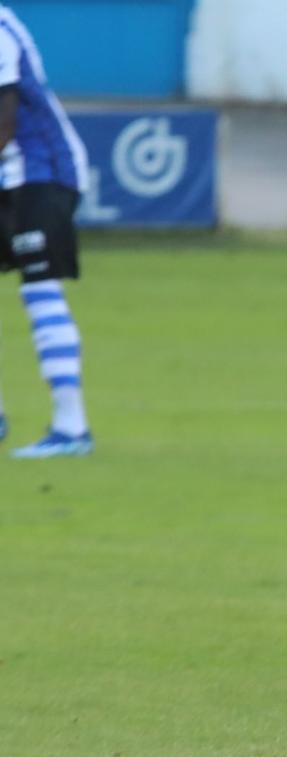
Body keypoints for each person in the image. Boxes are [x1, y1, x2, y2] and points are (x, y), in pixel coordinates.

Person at [0, 4, 92, 458]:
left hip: (43, 171)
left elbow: (4, 120)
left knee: (39, 288)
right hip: (6, 176)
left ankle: (71, 427)